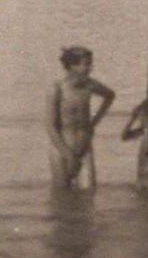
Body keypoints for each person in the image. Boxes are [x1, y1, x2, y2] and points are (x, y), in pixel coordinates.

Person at [46, 46, 116, 189]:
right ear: (72, 66)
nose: (90, 68)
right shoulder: (57, 88)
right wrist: (68, 155)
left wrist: (94, 120)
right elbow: (51, 126)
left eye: (91, 63)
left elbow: (110, 95)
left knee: (89, 195)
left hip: (85, 146)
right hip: (62, 148)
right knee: (61, 197)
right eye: (86, 64)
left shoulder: (89, 85)